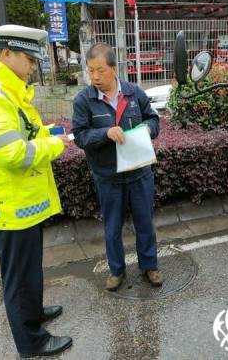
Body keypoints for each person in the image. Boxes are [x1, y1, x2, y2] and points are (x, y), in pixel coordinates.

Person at [0, 24, 73, 358]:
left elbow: (25, 132)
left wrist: (48, 132)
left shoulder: (9, 90)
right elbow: (13, 153)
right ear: (6, 54)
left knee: (30, 267)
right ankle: (32, 342)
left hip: (19, 200)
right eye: (27, 59)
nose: (32, 66)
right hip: (6, 205)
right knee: (18, 276)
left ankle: (34, 312)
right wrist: (55, 145)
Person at [72, 43, 162, 291]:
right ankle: (116, 271)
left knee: (145, 222)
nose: (95, 76)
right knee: (112, 227)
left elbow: (154, 119)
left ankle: (149, 266)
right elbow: (79, 136)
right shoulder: (84, 100)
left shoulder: (134, 93)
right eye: (91, 71)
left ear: (113, 68)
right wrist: (105, 133)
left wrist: (147, 130)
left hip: (139, 173)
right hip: (107, 176)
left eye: (100, 70)